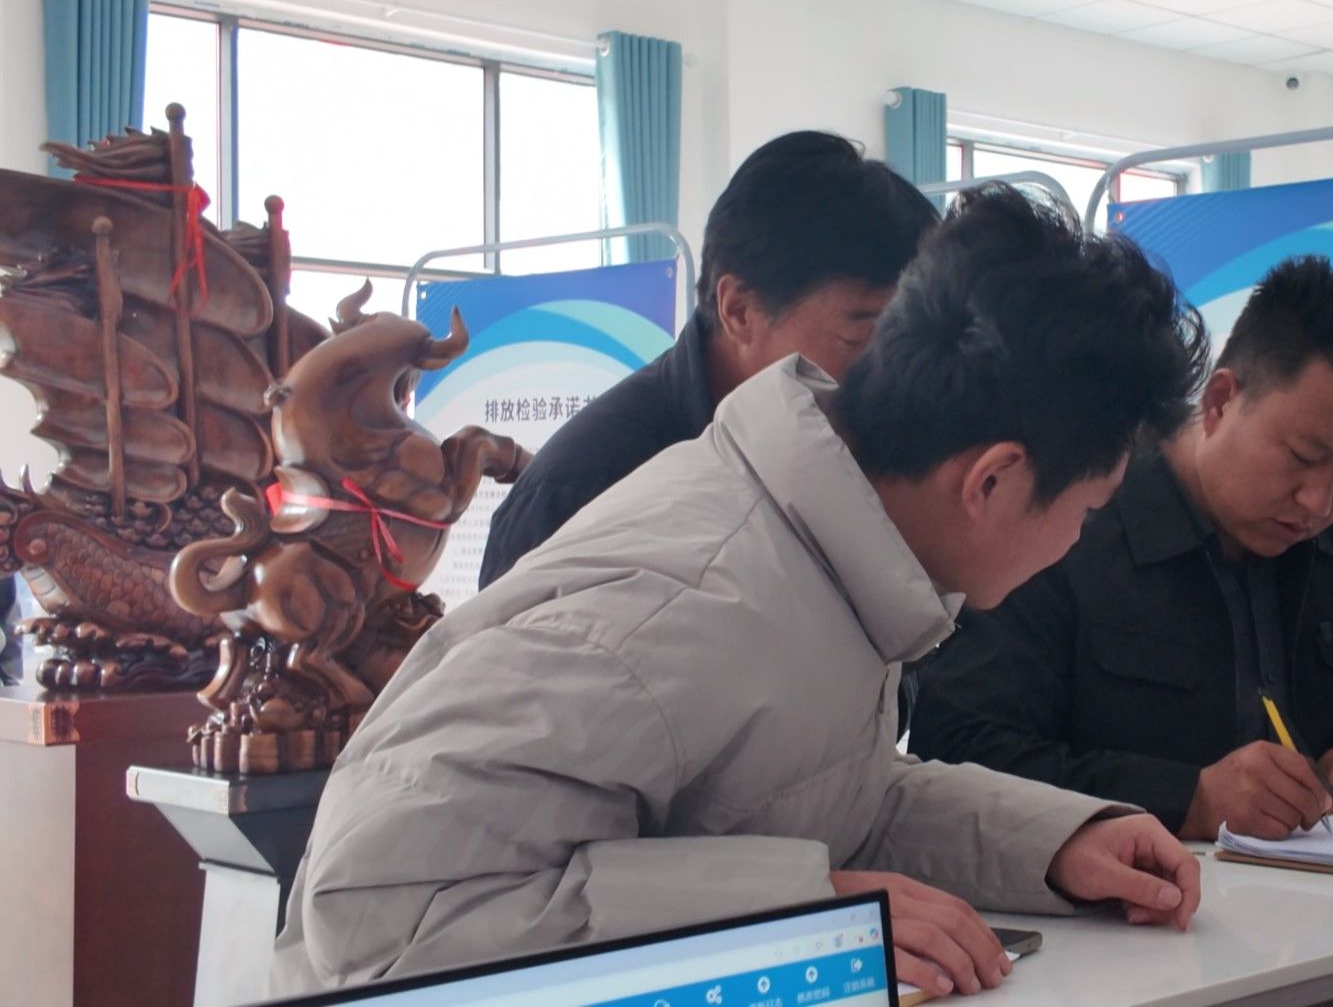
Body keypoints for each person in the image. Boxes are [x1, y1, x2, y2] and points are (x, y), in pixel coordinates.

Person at [271, 185, 1212, 997]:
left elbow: (815, 801)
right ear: (993, 481)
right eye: (1087, 511)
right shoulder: (684, 603)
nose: (1079, 542)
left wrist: (1051, 843)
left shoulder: (832, 551)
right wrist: (798, 914)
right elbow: (379, 914)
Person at [910, 255, 1333, 843]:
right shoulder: (1071, 523)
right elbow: (958, 751)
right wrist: (1185, 799)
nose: (1319, 503)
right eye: (1303, 457)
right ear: (1220, 400)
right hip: (1131, 896)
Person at [478, 130, 937, 589]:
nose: (893, 377)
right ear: (739, 310)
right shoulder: (581, 490)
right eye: (864, 338)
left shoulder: (850, 446)